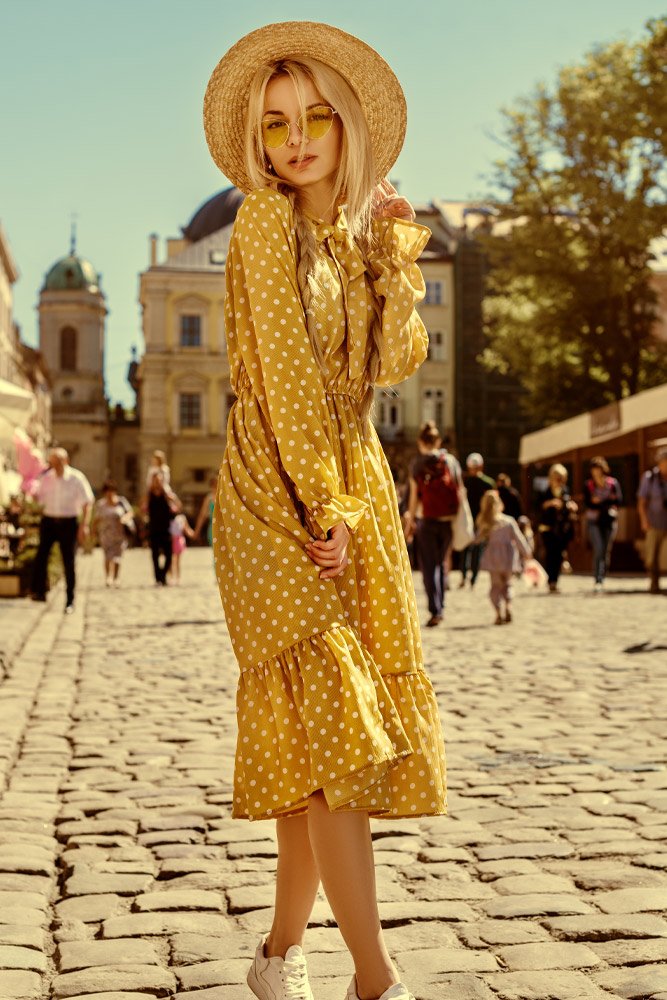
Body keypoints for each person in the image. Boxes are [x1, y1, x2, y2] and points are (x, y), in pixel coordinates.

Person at [204, 22, 446, 1000]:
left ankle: (275, 958)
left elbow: (393, 362)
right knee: (335, 730)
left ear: (345, 129)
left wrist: (390, 250)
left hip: (348, 485)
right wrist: (326, 505)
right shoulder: (263, 223)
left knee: (315, 751)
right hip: (280, 488)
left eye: (312, 120)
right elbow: (292, 385)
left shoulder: (340, 236)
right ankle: (375, 979)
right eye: (274, 125)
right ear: (256, 142)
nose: (294, 140)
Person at [403, 421, 462, 627]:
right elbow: (460, 491)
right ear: (438, 441)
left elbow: (412, 500)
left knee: (429, 567)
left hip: (426, 520)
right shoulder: (451, 461)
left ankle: (435, 609)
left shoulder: (417, 464)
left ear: (420, 441)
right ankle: (441, 607)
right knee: (441, 563)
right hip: (446, 520)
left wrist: (409, 524)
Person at [30, 448, 94, 613]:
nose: (54, 466)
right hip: (49, 521)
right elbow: (39, 498)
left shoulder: (76, 478)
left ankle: (70, 600)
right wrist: (32, 492)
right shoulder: (46, 478)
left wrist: (84, 525)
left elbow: (88, 502)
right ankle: (40, 591)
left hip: (68, 522)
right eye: (52, 462)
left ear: (65, 461)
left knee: (69, 561)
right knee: (41, 556)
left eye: (57, 462)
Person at [475, 490, 532, 624]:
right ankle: (508, 606)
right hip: (508, 557)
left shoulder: (487, 522)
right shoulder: (509, 521)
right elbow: (519, 539)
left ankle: (498, 613)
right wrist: (527, 552)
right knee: (507, 584)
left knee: (495, 586)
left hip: (493, 558)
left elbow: (476, 539)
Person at [583, 456, 623, 592]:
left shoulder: (612, 483)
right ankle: (597, 579)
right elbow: (588, 503)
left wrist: (600, 501)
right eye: (594, 469)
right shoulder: (588, 485)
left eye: (598, 469)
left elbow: (618, 501)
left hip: (609, 521)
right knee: (598, 549)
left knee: (605, 551)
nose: (596, 472)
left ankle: (602, 576)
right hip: (594, 521)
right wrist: (605, 501)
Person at [537, 463, 578, 593]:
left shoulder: (565, 491)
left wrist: (572, 506)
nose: (558, 480)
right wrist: (549, 504)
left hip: (561, 529)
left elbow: (567, 507)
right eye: (556, 477)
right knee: (550, 554)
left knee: (559, 554)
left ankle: (555, 580)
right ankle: (551, 580)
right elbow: (537, 507)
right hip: (548, 528)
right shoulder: (544, 491)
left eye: (561, 478)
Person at [459, 452, 495, 589]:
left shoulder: (487, 483)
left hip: (479, 521)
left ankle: (472, 578)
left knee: (475, 550)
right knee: (466, 549)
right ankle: (465, 577)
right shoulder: (467, 482)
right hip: (468, 520)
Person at [92, 480, 134, 587]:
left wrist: (125, 518)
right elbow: (96, 519)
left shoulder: (121, 501)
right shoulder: (101, 504)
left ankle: (116, 577)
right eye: (107, 491)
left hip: (119, 534)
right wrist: (93, 531)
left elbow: (130, 512)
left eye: (111, 491)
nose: (109, 493)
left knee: (117, 557)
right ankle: (108, 577)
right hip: (106, 534)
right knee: (107, 556)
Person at [637, 447, 667, 594]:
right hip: (654, 522)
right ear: (659, 462)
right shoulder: (649, 478)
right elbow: (642, 502)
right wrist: (644, 520)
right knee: (651, 556)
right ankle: (654, 584)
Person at [145, 472, 175, 586]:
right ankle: (158, 579)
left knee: (169, 555)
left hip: (166, 529)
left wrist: (168, 495)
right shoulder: (149, 494)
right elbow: (142, 504)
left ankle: (162, 575)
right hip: (153, 529)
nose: (157, 482)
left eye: (159, 480)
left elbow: (177, 504)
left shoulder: (166, 494)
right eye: (155, 480)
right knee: (155, 555)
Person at [169, 510, 195, 583]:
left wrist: (193, 534)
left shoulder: (182, 518)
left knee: (177, 560)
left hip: (178, 541)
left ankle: (177, 577)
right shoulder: (169, 516)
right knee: (171, 560)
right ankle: (171, 576)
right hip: (171, 540)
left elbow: (187, 529)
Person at [194, 476, 218, 546]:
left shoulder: (225, 496)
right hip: (213, 528)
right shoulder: (209, 498)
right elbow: (202, 515)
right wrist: (197, 531)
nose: (214, 487)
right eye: (213, 485)